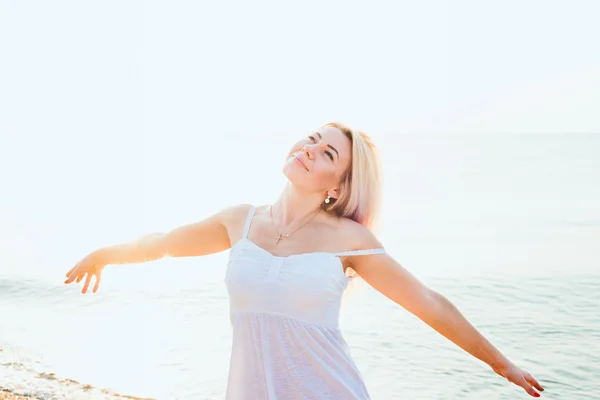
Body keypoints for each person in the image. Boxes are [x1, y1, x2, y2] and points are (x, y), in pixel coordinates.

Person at [64, 122, 545, 399]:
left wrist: (501, 365)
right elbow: (165, 242)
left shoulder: (349, 240)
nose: (309, 149)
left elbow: (428, 304)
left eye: (327, 152)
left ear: (337, 185)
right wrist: (106, 255)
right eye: (312, 138)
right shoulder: (241, 221)